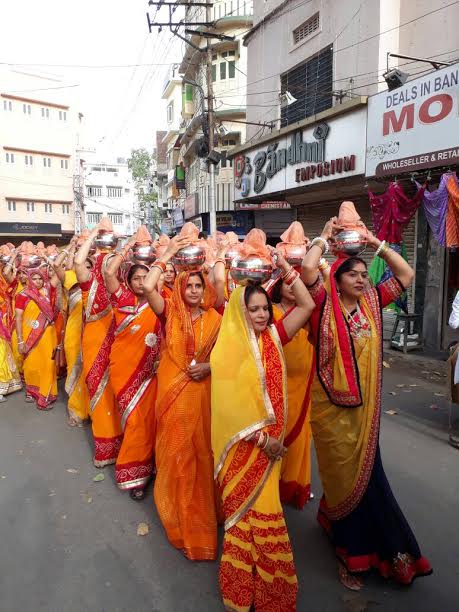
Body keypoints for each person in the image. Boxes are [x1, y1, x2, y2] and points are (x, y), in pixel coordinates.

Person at [301, 217, 433, 589]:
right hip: (330, 412)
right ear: (338, 278)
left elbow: (405, 274)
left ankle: (364, 544)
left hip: (366, 416)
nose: (362, 279)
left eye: (364, 274)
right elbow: (309, 268)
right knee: (345, 478)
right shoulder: (322, 303)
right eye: (353, 275)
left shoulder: (374, 302)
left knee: (370, 483)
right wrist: (323, 238)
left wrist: (376, 242)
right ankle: (349, 554)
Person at [211, 252, 315, 612]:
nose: (260, 315)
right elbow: (226, 409)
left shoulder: (274, 335)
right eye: (253, 309)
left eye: (264, 309)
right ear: (240, 312)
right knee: (243, 520)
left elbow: (308, 302)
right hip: (248, 447)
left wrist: (287, 269)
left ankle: (273, 595)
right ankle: (239, 592)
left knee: (268, 515)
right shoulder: (230, 350)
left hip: (272, 449)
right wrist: (263, 439)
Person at [143, 234, 225, 560]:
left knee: (201, 456)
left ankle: (200, 519)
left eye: (198, 286)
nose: (193, 291)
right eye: (188, 286)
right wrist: (170, 252)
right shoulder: (170, 314)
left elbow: (226, 358)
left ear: (205, 289)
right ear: (179, 287)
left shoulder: (216, 320)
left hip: (201, 394)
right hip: (173, 394)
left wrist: (208, 367)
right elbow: (149, 287)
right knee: (175, 455)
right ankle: (177, 515)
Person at [105, 242, 162, 500]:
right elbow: (109, 274)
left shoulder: (161, 303)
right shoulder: (123, 301)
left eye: (145, 278)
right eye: (136, 278)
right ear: (128, 282)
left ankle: (146, 469)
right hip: (123, 370)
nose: (140, 282)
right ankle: (135, 471)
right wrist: (126, 247)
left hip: (152, 372)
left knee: (148, 421)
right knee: (134, 420)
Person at [74, 226, 122, 467]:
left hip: (118, 339)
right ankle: (105, 448)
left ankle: (124, 445)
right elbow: (77, 261)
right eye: (102, 261)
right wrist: (93, 235)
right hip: (94, 341)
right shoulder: (87, 283)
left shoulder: (119, 284)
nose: (106, 265)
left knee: (118, 390)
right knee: (99, 391)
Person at [271, 277, 315, 508]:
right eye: (287, 281)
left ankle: (292, 485)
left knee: (299, 438)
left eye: (297, 281)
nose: (291, 285)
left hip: (302, 384)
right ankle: (268, 485)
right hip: (274, 383)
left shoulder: (308, 313)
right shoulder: (267, 311)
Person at [52, 239, 89, 426]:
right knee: (74, 370)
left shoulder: (96, 282)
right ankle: (75, 410)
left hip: (92, 334)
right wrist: (71, 247)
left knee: (91, 371)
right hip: (74, 333)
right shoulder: (69, 278)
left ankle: (91, 409)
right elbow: (56, 264)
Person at [15, 267, 58, 409]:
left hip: (48, 334)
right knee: (31, 364)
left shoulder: (47, 292)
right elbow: (19, 318)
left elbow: (58, 272)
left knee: (48, 364)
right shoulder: (23, 295)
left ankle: (44, 395)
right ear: (28, 279)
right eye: (34, 278)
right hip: (29, 335)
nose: (38, 281)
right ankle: (31, 390)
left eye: (40, 278)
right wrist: (20, 340)